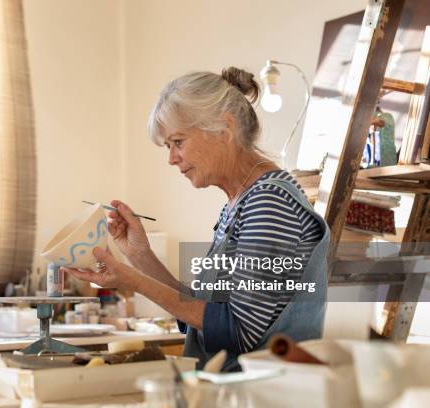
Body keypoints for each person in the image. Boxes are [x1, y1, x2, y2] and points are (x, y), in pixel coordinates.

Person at [63, 66, 330, 371]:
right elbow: (203, 314)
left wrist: (132, 280)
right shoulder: (241, 202)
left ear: (223, 129)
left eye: (178, 142)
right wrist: (140, 256)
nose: (172, 158)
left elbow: (237, 330)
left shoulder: (269, 203)